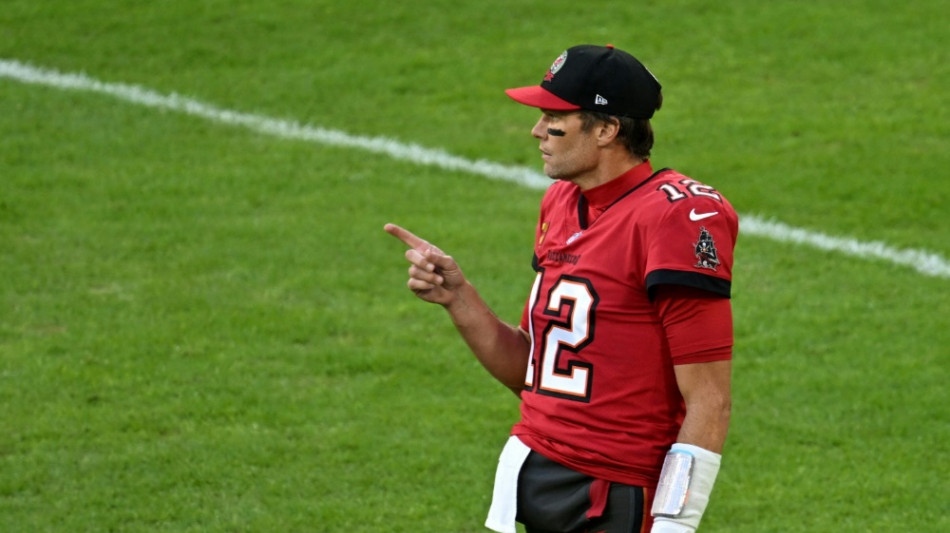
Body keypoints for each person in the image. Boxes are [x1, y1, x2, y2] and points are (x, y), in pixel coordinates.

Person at [385, 44, 738, 533]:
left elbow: (710, 399)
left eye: (554, 118)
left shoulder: (676, 215)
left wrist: (675, 523)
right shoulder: (561, 201)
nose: (537, 130)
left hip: (614, 489)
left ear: (606, 129)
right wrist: (458, 298)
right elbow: (532, 373)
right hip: (535, 466)